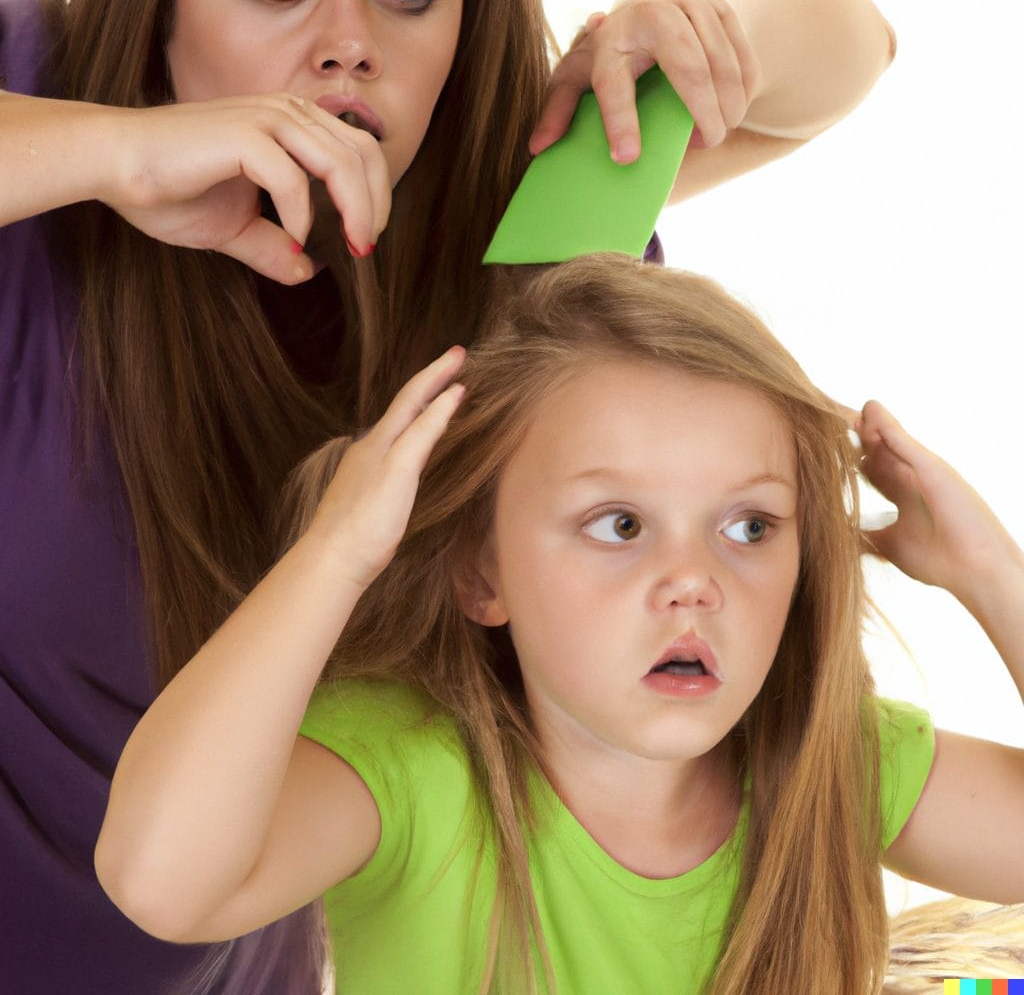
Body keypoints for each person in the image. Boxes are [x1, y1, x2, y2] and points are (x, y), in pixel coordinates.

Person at [0, 0, 896, 990]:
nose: (350, 44)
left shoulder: (515, 254)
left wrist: (702, 7)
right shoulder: (33, 101)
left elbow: (851, 46)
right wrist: (116, 150)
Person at [96, 255, 1024, 993]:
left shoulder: (834, 760)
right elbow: (163, 884)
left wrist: (991, 572)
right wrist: (337, 552)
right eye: (619, 526)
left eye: (749, 526)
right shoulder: (414, 772)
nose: (694, 583)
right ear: (480, 573)